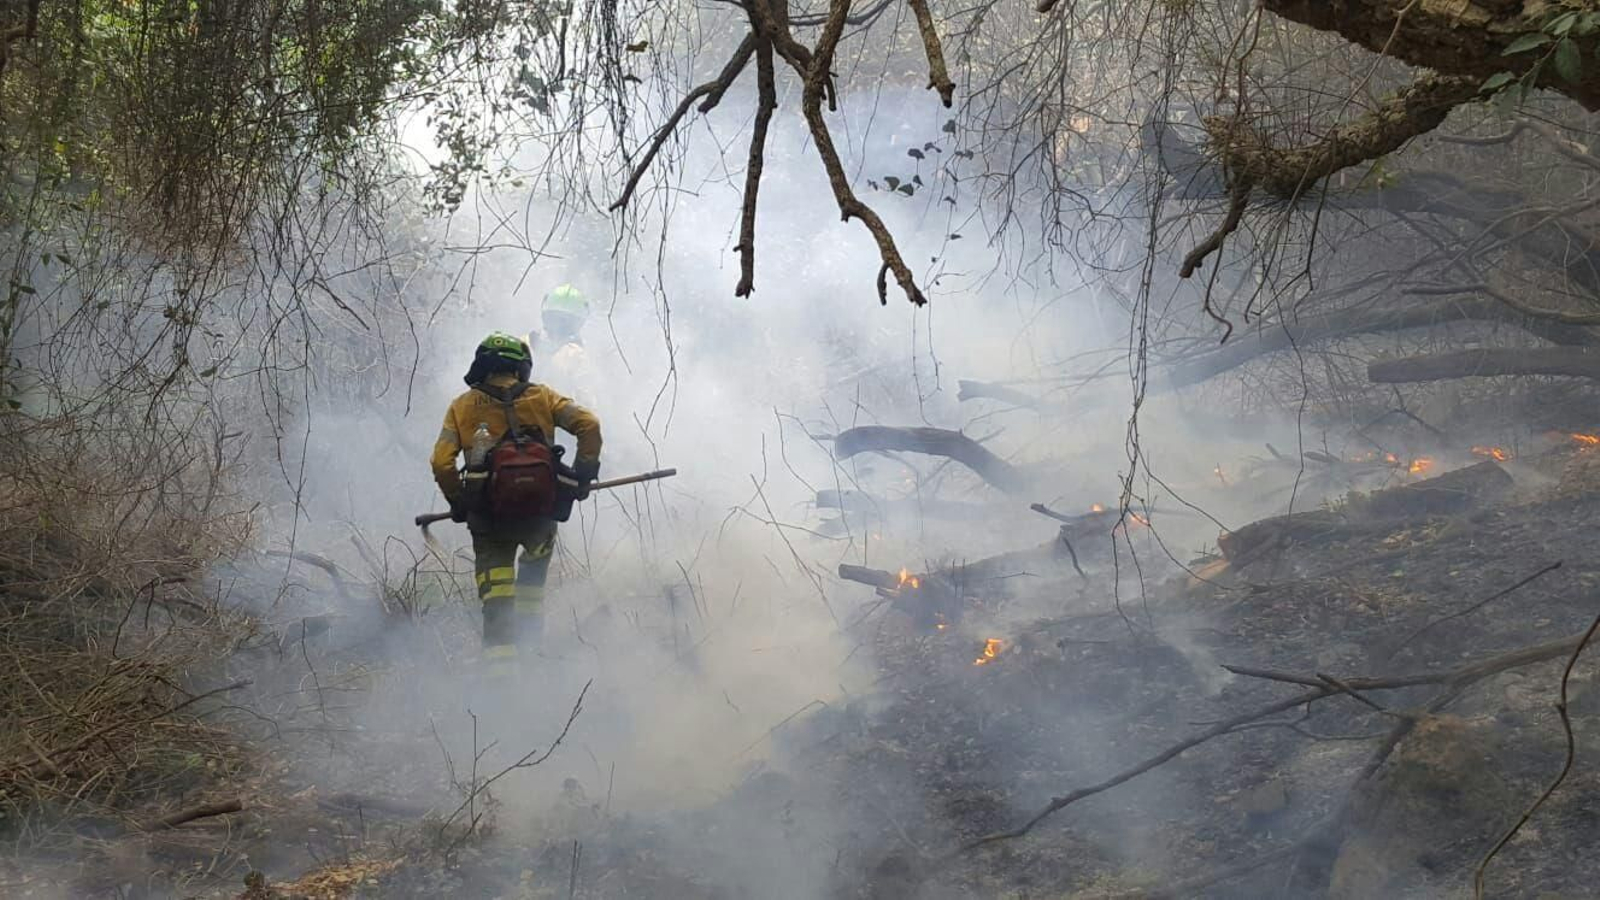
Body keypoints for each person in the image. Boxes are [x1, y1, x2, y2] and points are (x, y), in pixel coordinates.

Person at [430, 331, 602, 676]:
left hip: (489, 519)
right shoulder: (543, 397)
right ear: (521, 367)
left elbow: (441, 463)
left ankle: (501, 682)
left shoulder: (462, 406)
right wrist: (583, 475)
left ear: (482, 366)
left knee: (497, 595)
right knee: (531, 584)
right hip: (541, 513)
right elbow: (589, 424)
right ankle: (532, 654)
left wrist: (459, 502)